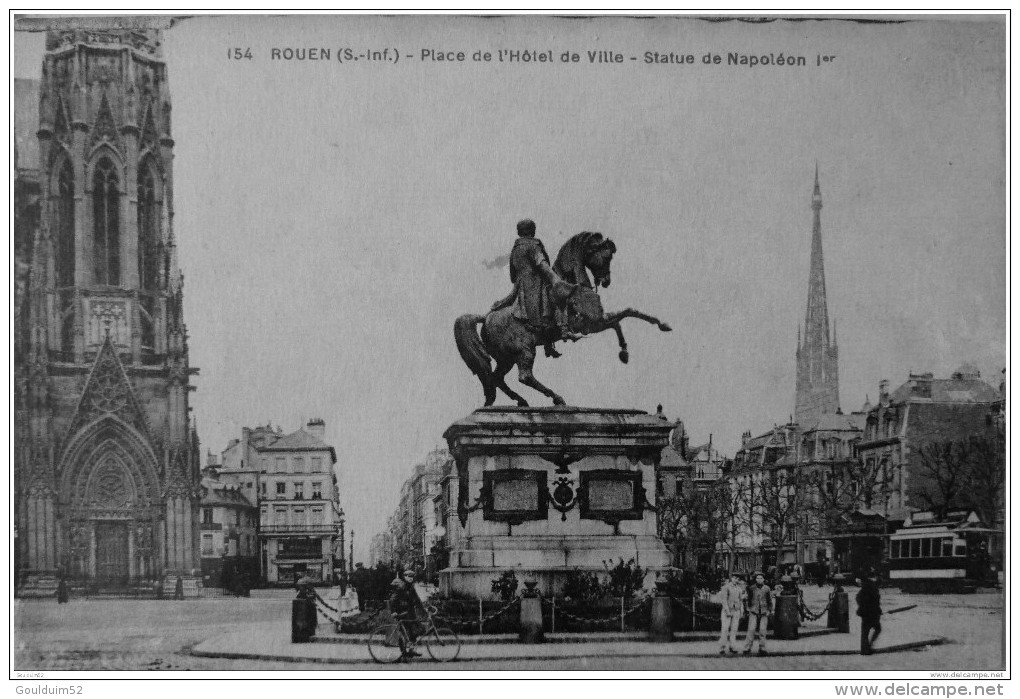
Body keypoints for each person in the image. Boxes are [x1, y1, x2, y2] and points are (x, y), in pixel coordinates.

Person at [491, 219, 579, 358]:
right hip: (536, 286)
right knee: (558, 296)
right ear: (532, 231)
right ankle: (564, 330)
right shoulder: (534, 246)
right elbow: (542, 265)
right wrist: (557, 280)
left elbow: (513, 276)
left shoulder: (516, 249)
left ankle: (548, 345)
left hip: (520, 288)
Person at [387, 569, 424, 659]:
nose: (410, 578)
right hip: (402, 611)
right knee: (405, 632)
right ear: (404, 577)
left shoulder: (410, 586)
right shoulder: (401, 586)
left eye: (412, 577)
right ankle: (404, 652)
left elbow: (416, 599)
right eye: (408, 576)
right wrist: (393, 611)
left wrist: (423, 608)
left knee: (415, 630)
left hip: (410, 612)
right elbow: (392, 599)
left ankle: (411, 650)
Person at [742, 572, 774, 656]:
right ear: (755, 579)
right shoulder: (751, 588)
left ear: (763, 579)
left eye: (761, 578)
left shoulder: (767, 589)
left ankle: (762, 647)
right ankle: (747, 647)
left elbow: (769, 600)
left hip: (764, 611)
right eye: (757, 578)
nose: (759, 580)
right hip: (753, 611)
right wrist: (747, 609)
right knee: (751, 630)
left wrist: (769, 610)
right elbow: (748, 599)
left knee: (762, 631)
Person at [718, 572, 746, 654]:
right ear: (731, 578)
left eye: (737, 579)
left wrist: (741, 611)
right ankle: (722, 647)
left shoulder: (739, 589)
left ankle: (732, 646)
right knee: (725, 629)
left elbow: (741, 601)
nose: (736, 580)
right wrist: (727, 611)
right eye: (734, 578)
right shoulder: (726, 587)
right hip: (728, 611)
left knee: (734, 629)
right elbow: (724, 600)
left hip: (736, 611)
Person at [856, 569, 882, 655]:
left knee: (865, 633)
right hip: (872, 613)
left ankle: (865, 650)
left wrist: (861, 608)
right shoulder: (872, 587)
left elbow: (859, 598)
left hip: (867, 613)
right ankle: (868, 647)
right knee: (876, 629)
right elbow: (875, 600)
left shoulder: (867, 586)